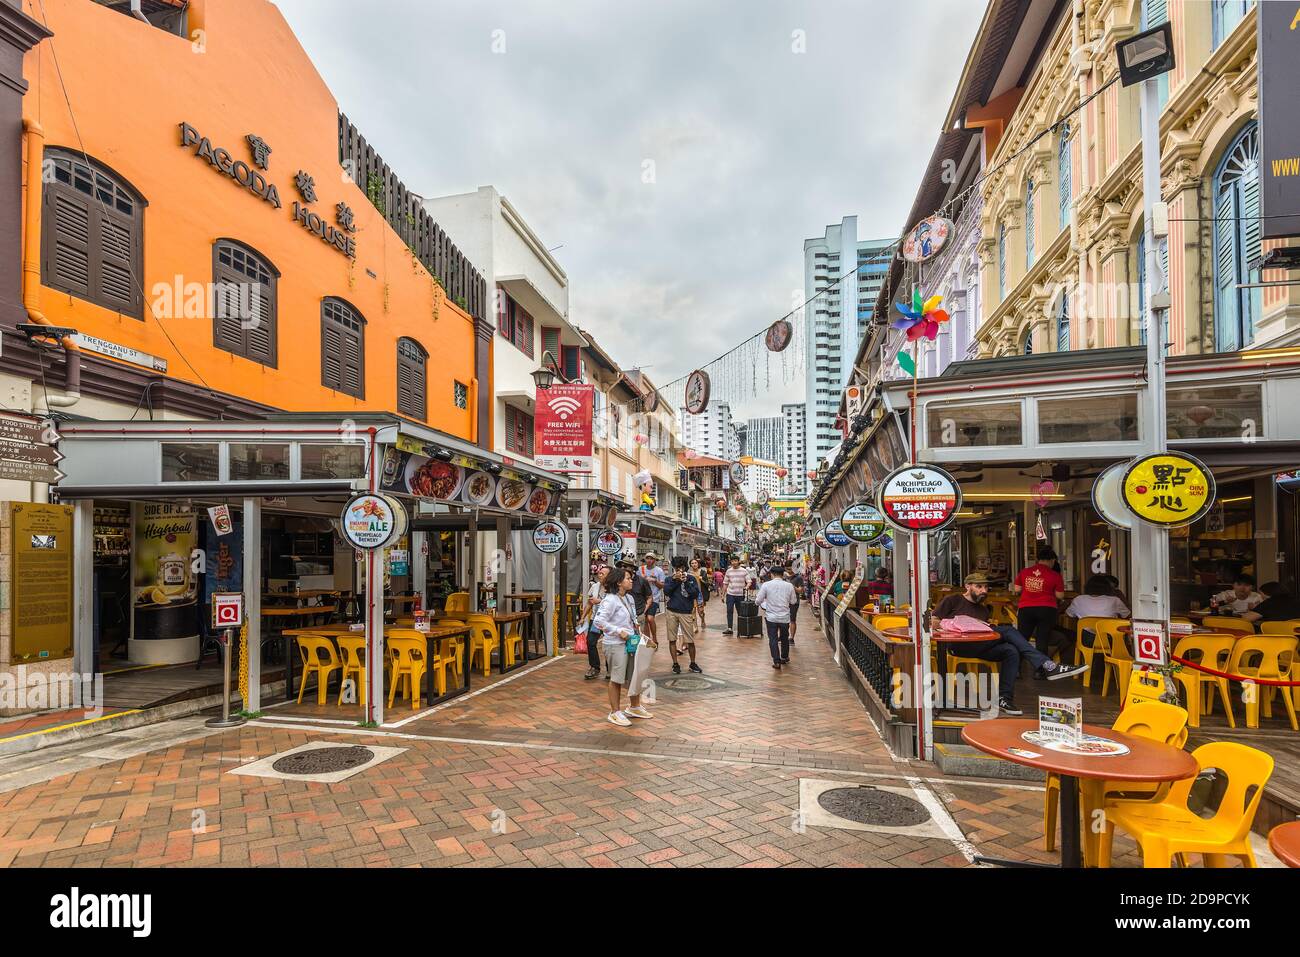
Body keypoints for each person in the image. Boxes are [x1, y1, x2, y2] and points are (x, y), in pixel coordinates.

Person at [929, 572, 1086, 715]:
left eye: (985, 587)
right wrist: (957, 623)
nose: (983, 590)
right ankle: (1046, 665)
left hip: (980, 646)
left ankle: (1004, 699)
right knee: (1008, 631)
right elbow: (933, 622)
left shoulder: (983, 610)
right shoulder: (953, 600)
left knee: (1011, 650)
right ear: (968, 586)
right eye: (979, 587)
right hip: (958, 646)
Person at [592, 566, 657, 726]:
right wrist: (617, 631)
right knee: (617, 678)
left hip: (631, 642)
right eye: (628, 578)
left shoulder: (629, 598)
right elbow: (598, 622)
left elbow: (633, 618)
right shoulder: (610, 600)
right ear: (619, 582)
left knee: (635, 675)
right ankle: (615, 712)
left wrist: (639, 633)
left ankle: (634, 707)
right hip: (615, 644)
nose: (631, 580)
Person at [1012, 546, 1066, 656]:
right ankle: (1041, 670)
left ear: (1038, 559)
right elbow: (1060, 596)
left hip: (1026, 609)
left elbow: (1017, 589)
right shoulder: (1055, 575)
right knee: (1042, 640)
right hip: (1047, 609)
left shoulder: (1025, 571)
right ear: (1052, 560)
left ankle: (1016, 666)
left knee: (1022, 639)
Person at [664, 557, 704, 674]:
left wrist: (685, 581)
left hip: (686, 611)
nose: (679, 571)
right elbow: (666, 592)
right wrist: (675, 580)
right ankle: (675, 663)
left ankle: (692, 663)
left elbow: (694, 594)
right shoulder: (669, 579)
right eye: (677, 568)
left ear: (684, 567)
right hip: (672, 611)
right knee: (672, 639)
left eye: (681, 568)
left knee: (690, 640)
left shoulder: (691, 578)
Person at [757, 564, 799, 669]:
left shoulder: (766, 585)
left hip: (771, 616)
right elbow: (793, 601)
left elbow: (758, 601)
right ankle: (784, 657)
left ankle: (776, 661)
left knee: (773, 639)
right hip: (784, 617)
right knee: (784, 637)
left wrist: (765, 603)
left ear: (772, 574)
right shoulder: (789, 586)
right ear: (782, 574)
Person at [1065, 574, 1130, 622]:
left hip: (1085, 638)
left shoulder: (1078, 599)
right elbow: (1127, 615)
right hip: (1109, 636)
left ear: (1087, 587)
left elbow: (1069, 614)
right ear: (1108, 588)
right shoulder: (1115, 600)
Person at [582, 562, 609, 680]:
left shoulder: (614, 588)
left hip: (610, 621)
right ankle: (594, 667)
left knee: (609, 644)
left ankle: (611, 669)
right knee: (591, 642)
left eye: (602, 574)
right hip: (596, 620)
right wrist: (583, 617)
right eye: (599, 573)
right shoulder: (595, 586)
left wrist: (600, 601)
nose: (600, 575)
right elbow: (589, 603)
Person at [640, 553, 666, 642]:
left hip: (654, 598)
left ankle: (654, 637)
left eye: (651, 558)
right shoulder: (641, 569)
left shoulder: (659, 571)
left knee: (650, 618)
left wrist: (655, 581)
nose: (649, 560)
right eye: (647, 558)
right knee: (645, 619)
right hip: (642, 598)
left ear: (654, 560)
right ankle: (648, 639)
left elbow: (662, 585)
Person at [722, 556, 750, 635]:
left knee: (740, 612)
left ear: (738, 561)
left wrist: (747, 587)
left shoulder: (744, 571)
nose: (734, 562)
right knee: (729, 611)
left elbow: (749, 581)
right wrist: (723, 595)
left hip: (740, 595)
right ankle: (730, 628)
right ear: (730, 562)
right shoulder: (728, 571)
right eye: (732, 561)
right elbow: (725, 583)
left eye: (735, 561)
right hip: (730, 594)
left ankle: (741, 628)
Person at [690, 558, 710, 633]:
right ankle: (695, 626)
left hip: (700, 595)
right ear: (690, 565)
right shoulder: (689, 573)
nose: (694, 564)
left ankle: (702, 619)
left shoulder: (703, 572)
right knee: (692, 611)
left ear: (698, 564)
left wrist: (702, 580)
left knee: (700, 611)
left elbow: (708, 583)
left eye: (695, 563)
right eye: (692, 563)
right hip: (692, 595)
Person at [787, 567, 803, 644]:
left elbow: (801, 591)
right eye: (787, 569)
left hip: (794, 602)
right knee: (782, 619)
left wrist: (793, 587)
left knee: (792, 620)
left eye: (790, 569)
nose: (789, 571)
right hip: (784, 601)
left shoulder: (798, 577)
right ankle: (782, 636)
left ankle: (791, 638)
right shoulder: (784, 577)